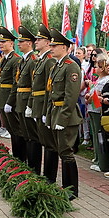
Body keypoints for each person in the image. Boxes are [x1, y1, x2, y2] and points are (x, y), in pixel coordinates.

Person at [45, 28, 82, 200]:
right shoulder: (57, 66)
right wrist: (48, 114)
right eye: (51, 45)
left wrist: (63, 117)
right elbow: (51, 93)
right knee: (59, 149)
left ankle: (71, 190)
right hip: (55, 111)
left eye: (55, 45)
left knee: (66, 151)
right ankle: (65, 186)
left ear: (65, 47)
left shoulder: (71, 66)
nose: (51, 47)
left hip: (65, 114)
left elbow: (71, 95)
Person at [31, 23, 58, 183]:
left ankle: (50, 177)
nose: (36, 41)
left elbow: (50, 88)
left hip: (44, 106)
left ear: (47, 42)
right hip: (37, 104)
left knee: (49, 144)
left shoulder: (49, 61)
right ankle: (44, 174)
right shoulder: (42, 60)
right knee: (43, 141)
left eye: (39, 39)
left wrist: (47, 110)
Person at [0, 26, 24, 161]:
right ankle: (16, 155)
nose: (1, 45)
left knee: (16, 130)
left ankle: (20, 157)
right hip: (2, 97)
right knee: (11, 130)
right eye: (0, 42)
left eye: (3, 42)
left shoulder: (15, 59)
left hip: (10, 100)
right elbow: (0, 82)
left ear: (11, 43)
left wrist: (10, 102)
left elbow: (15, 82)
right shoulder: (4, 59)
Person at [16, 26, 41, 174]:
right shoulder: (24, 60)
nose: (18, 44)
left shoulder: (32, 60)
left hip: (28, 100)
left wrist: (30, 104)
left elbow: (34, 84)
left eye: (21, 42)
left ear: (29, 44)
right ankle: (25, 164)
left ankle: (34, 168)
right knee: (24, 135)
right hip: (21, 99)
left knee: (32, 136)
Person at [85, 55, 109, 172]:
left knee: (98, 135)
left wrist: (89, 98)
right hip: (92, 109)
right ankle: (97, 158)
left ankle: (100, 160)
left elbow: (96, 96)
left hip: (97, 109)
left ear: (101, 68)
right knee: (95, 134)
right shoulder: (99, 80)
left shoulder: (104, 80)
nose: (95, 68)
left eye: (97, 66)